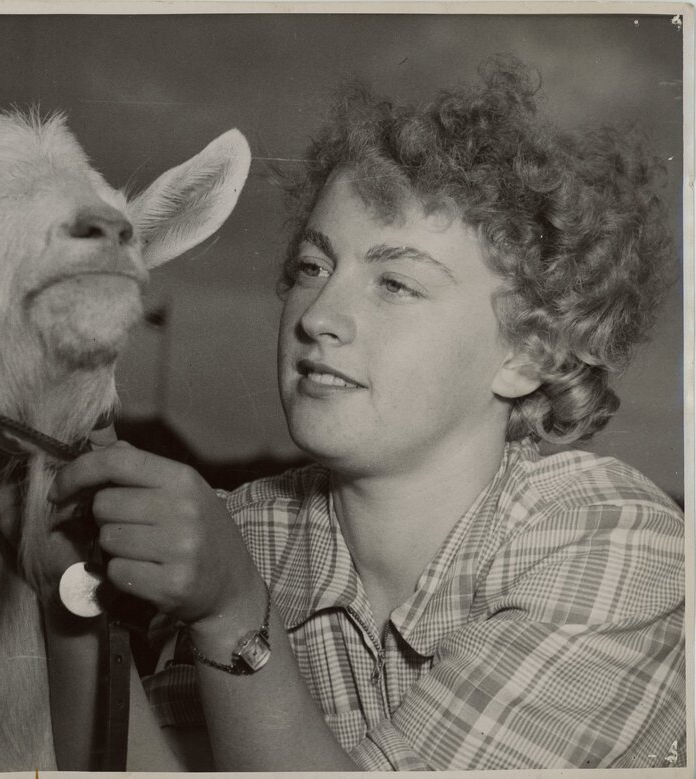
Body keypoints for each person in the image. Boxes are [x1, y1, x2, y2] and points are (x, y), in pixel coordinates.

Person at [36, 56, 686, 771]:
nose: (319, 316)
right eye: (313, 267)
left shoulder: (616, 547)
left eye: (396, 283)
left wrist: (232, 613)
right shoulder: (247, 531)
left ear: (527, 352)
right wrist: (69, 591)